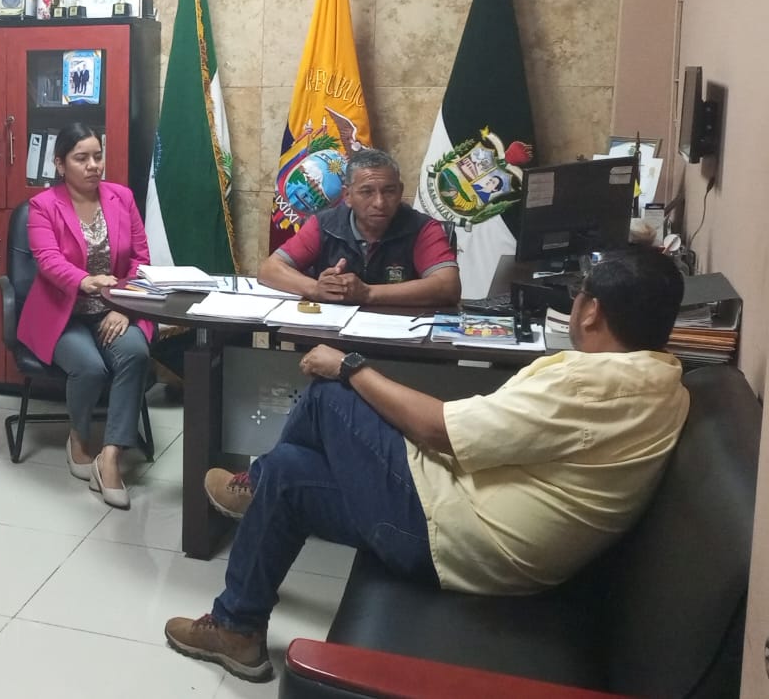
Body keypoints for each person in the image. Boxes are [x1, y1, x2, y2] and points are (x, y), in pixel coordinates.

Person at [164, 245, 689, 682]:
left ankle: (253, 488)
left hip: (457, 539)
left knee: (330, 393)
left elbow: (441, 430)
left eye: (579, 295)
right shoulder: (666, 382)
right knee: (288, 473)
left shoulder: (589, 384)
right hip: (476, 526)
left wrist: (350, 365)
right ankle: (237, 628)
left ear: (591, 311)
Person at [18, 123, 154, 509]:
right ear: (60, 164)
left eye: (97, 155)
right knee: (90, 368)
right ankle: (78, 436)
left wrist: (124, 307)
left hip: (116, 310)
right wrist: (85, 281)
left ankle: (109, 457)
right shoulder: (43, 206)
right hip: (64, 314)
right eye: (82, 158)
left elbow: (140, 259)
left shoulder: (121, 198)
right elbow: (48, 260)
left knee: (136, 354)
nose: (93, 165)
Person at [259, 149, 460, 307]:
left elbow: (448, 286)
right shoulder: (324, 224)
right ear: (347, 196)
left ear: (400, 192)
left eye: (389, 191)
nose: (379, 203)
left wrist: (368, 293)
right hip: (330, 335)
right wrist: (316, 289)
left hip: (398, 338)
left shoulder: (422, 227)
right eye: (367, 192)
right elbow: (269, 269)